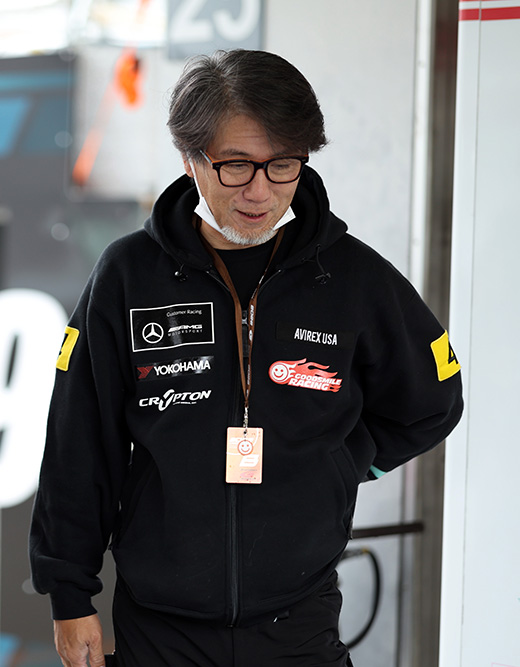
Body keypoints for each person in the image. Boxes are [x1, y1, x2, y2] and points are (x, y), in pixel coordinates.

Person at [28, 50, 464, 667]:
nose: (260, 191)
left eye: (282, 165)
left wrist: (345, 462)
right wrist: (69, 595)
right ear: (190, 158)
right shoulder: (128, 276)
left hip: (300, 624)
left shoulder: (353, 277)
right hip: (159, 629)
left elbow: (434, 400)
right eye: (235, 166)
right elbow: (79, 442)